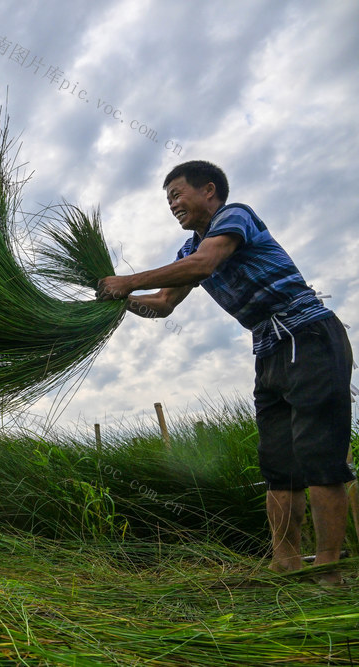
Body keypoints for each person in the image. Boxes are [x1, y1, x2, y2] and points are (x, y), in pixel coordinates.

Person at [96, 160, 354, 582]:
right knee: (278, 466)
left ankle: (329, 571)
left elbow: (205, 264)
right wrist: (120, 300)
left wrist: (127, 280)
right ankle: (285, 565)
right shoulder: (188, 251)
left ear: (209, 190)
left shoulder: (234, 216)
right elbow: (162, 304)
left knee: (320, 456)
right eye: (168, 200)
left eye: (177, 194)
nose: (172, 205)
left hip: (307, 335)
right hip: (268, 348)